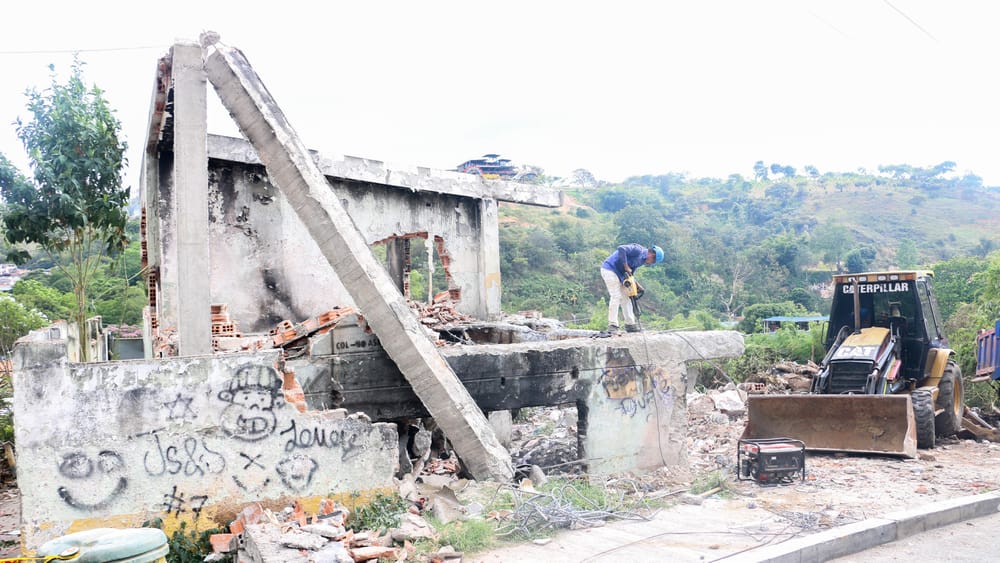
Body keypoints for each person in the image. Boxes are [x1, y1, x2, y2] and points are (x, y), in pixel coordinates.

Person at [600, 243, 664, 333]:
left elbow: (630, 274)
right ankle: (612, 325)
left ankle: (630, 325)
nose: (650, 263)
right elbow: (621, 249)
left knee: (627, 298)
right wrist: (626, 266)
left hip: (621, 275)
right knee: (616, 296)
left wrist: (637, 286)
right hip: (610, 269)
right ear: (652, 256)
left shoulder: (641, 261)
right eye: (652, 262)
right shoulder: (638, 250)